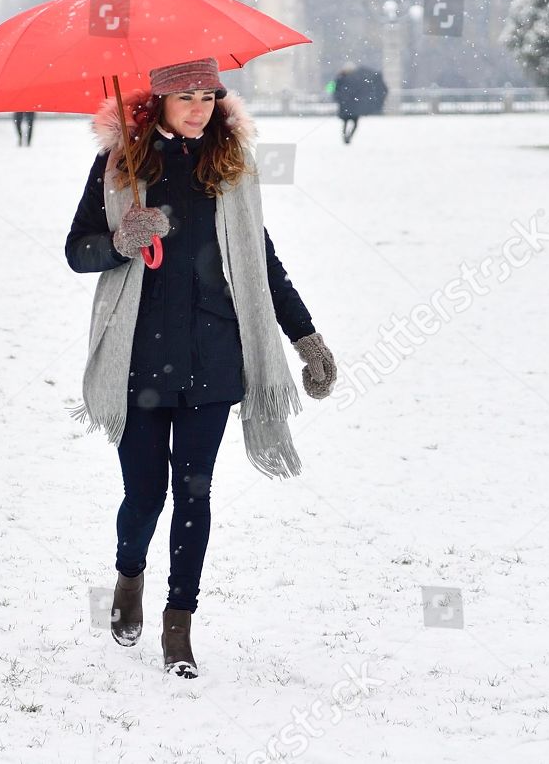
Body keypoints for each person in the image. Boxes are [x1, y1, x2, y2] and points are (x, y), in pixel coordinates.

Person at [65, 57, 337, 679]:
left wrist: (307, 339)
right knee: (144, 494)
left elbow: (261, 263)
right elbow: (77, 251)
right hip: (139, 357)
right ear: (156, 102)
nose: (199, 108)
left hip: (215, 357)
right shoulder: (121, 169)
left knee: (195, 491)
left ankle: (178, 624)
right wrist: (119, 243)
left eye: (208, 96)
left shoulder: (232, 169)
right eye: (184, 96)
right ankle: (129, 572)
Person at [331, 63, 361, 144]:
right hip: (349, 105)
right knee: (348, 123)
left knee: (350, 123)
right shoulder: (342, 78)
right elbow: (335, 90)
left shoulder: (343, 78)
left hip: (350, 105)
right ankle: (346, 138)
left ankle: (347, 137)